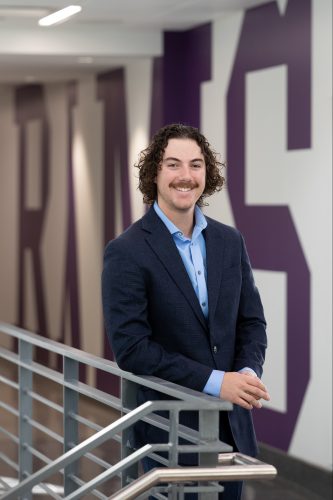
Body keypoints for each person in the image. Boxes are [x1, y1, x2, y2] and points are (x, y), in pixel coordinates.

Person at [102, 123, 270, 499]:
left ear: (206, 174)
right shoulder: (126, 251)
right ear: (154, 174)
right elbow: (132, 349)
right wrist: (216, 381)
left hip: (230, 428)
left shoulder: (229, 241)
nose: (185, 176)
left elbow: (252, 321)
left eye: (195, 165)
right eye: (173, 164)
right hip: (168, 433)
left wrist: (245, 372)